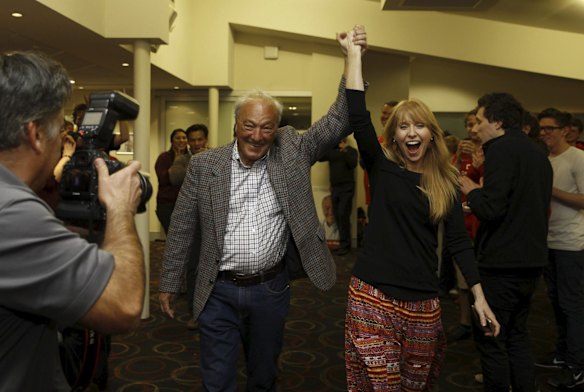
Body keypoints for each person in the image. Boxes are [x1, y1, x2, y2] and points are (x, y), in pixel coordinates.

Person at [158, 25, 368, 391]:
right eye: (249, 126)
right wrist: (169, 281)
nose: (257, 135)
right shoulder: (206, 166)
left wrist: (352, 57)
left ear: (277, 128)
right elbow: (181, 227)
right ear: (236, 124)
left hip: (270, 289)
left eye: (266, 128)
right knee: (217, 378)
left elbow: (340, 119)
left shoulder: (292, 151)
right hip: (217, 289)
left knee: (263, 374)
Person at [343, 38, 499, 391]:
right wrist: (353, 55)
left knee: (416, 385)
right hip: (373, 295)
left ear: (431, 134)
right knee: (383, 385)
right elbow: (357, 115)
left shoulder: (446, 180)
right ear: (394, 137)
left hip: (423, 302)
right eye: (403, 127)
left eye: (419, 126)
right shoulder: (382, 167)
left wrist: (478, 295)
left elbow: (459, 242)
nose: (412, 133)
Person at [0, 51, 145, 390]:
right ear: (35, 134)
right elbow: (123, 305)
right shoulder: (12, 213)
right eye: (58, 130)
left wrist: (59, 236)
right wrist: (121, 209)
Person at [460, 93, 553, 392]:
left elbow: (492, 208)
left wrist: (470, 188)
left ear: (498, 122)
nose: (475, 129)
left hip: (502, 263)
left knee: (492, 341)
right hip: (532, 260)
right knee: (517, 336)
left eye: (480, 121)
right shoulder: (538, 152)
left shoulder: (500, 149)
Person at [535, 108, 584, 389]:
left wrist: (549, 189)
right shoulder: (544, 159)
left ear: (565, 130)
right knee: (556, 303)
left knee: (572, 305)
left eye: (549, 129)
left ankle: (577, 366)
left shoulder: (577, 158)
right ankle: (563, 353)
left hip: (571, 243)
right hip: (548, 241)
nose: (544, 134)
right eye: (541, 129)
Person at [318, 137, 358, 255]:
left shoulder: (351, 151)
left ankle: (346, 245)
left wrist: (344, 150)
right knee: (337, 215)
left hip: (347, 188)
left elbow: (353, 164)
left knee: (343, 214)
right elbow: (320, 158)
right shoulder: (332, 151)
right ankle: (342, 244)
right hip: (335, 188)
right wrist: (328, 145)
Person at [154, 128, 188, 234]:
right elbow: (164, 179)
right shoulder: (164, 157)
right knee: (172, 236)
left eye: (184, 138)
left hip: (186, 203)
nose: (181, 140)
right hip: (167, 204)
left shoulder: (192, 157)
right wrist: (176, 161)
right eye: (178, 138)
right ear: (172, 141)